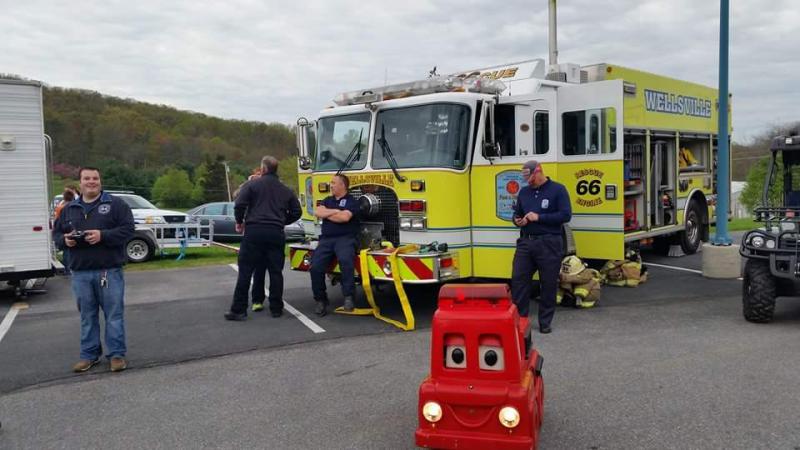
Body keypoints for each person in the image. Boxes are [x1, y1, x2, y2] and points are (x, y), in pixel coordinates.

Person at [53, 167, 135, 372]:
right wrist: (65, 240)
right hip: (80, 273)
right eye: (87, 178)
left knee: (113, 315)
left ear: (100, 181)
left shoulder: (116, 205)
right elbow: (56, 234)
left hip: (109, 271)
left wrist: (103, 235)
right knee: (87, 317)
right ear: (80, 182)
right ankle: (89, 355)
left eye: (95, 178)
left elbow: (128, 229)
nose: (91, 181)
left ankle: (116, 355)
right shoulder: (69, 208)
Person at [225, 156, 301, 321]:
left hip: (254, 230)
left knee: (245, 270)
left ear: (263, 169)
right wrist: (281, 221)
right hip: (275, 232)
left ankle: (239, 309)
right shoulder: (285, 190)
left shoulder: (252, 185)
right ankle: (276, 308)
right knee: (275, 271)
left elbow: (239, 204)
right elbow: (297, 212)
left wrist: (240, 222)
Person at [511, 160, 572, 334]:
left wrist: (539, 217)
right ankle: (520, 320)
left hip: (549, 242)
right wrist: (517, 220)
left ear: (538, 172)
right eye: (525, 177)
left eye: (529, 177)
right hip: (526, 242)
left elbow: (565, 215)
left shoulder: (558, 190)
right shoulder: (524, 192)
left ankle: (545, 322)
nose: (527, 181)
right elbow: (517, 213)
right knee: (519, 280)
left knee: (548, 283)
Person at [310, 174, 360, 316]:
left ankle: (349, 297)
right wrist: (335, 211)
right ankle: (321, 300)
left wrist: (328, 214)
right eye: (331, 183)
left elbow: (345, 218)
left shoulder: (352, 201)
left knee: (346, 262)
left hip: (345, 238)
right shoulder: (327, 200)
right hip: (326, 240)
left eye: (333, 183)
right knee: (315, 267)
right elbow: (318, 212)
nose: (330, 185)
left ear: (343, 185)